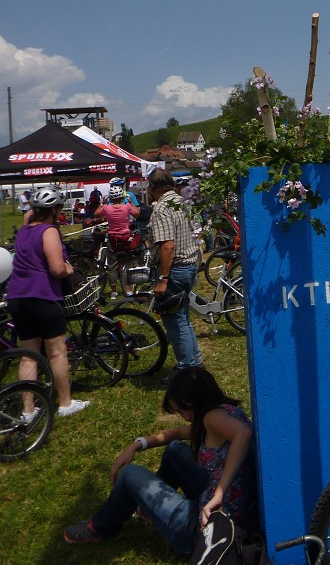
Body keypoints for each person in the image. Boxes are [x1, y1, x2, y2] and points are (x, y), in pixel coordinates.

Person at [63, 367, 257, 556]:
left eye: (182, 410)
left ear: (195, 402)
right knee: (175, 450)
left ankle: (99, 528)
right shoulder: (226, 411)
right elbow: (177, 433)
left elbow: (244, 434)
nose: (183, 416)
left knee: (130, 474)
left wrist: (219, 493)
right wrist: (138, 444)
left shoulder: (212, 418)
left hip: (204, 528)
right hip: (236, 511)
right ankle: (149, 511)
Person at [6, 188, 90, 417]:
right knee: (56, 352)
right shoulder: (49, 232)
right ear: (54, 210)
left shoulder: (24, 232)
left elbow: (28, 219)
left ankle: (28, 409)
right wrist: (69, 269)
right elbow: (56, 268)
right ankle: (65, 403)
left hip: (17, 297)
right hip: (42, 297)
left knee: (28, 354)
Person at [146, 168, 204, 385]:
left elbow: (168, 246)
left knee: (175, 321)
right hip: (189, 265)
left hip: (175, 269)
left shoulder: (162, 208)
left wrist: (163, 278)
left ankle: (186, 369)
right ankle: (194, 361)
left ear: (152, 188)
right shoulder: (182, 202)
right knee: (184, 318)